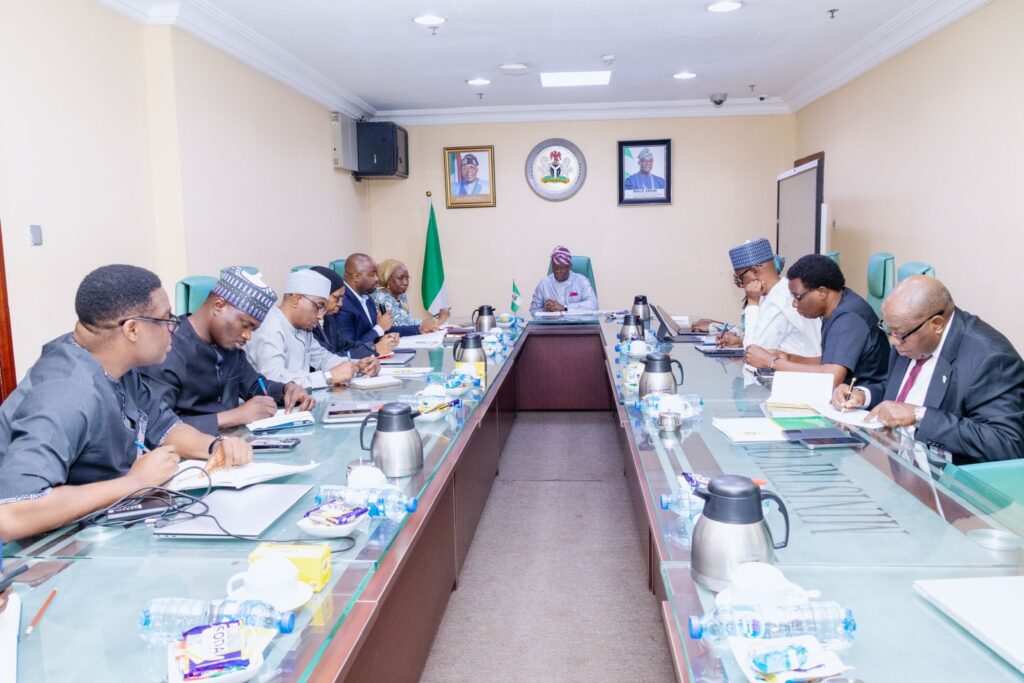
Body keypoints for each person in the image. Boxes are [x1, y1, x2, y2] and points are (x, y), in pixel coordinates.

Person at [0, 265, 253, 542]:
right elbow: (12, 514)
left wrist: (215, 447)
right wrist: (135, 482)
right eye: (166, 319)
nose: (173, 328)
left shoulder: (117, 364)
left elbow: (165, 426)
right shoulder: (66, 393)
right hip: (37, 551)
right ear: (132, 329)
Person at [832, 276, 1024, 464]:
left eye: (899, 334)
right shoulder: (909, 336)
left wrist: (919, 416)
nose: (893, 341)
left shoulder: (990, 359)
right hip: (898, 463)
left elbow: (1007, 442)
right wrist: (862, 395)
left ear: (937, 324)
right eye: (889, 330)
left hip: (949, 478)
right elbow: (900, 393)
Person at [141, 267, 315, 435]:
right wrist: (235, 416)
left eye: (253, 330)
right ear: (219, 305)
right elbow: (156, 426)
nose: (248, 336)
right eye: (245, 325)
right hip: (188, 452)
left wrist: (287, 390)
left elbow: (255, 386)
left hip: (235, 443)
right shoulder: (167, 350)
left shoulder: (229, 346)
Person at [745, 254, 889, 388]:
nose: (794, 303)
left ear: (822, 292)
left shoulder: (848, 319)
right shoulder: (837, 305)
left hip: (860, 399)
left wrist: (772, 362)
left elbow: (831, 378)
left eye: (798, 297)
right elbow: (829, 361)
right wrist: (787, 358)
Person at [246, 268, 377, 389]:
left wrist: (358, 365)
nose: (320, 316)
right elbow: (274, 379)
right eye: (318, 306)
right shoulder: (269, 325)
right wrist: (328, 377)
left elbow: (323, 359)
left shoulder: (302, 326)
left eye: (323, 308)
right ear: (296, 299)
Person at [715, 238, 821, 355]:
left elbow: (754, 351)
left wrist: (752, 302)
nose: (743, 284)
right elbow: (765, 339)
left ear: (755, 271)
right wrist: (740, 342)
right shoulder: (776, 292)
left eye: (741, 278)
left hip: (798, 366)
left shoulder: (780, 299)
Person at [332, 253, 430, 351]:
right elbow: (348, 349)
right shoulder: (342, 303)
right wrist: (379, 328)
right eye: (372, 275)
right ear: (356, 276)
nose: (377, 279)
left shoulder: (367, 297)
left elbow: (383, 329)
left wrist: (418, 329)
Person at [309, 265, 390, 359]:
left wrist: (373, 346)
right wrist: (374, 349)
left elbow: (345, 346)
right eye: (337, 298)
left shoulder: (328, 318)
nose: (340, 304)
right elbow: (328, 358)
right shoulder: (308, 324)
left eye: (341, 298)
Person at [372, 259, 451, 333]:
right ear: (387, 279)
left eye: (407, 278)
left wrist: (435, 320)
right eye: (400, 278)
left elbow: (407, 320)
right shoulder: (380, 296)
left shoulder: (401, 295)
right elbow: (399, 324)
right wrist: (438, 320)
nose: (405, 282)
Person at [529, 245, 599, 313]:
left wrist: (564, 308)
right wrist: (545, 310)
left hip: (577, 321)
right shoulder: (544, 284)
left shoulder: (582, 281)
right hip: (551, 321)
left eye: (562, 268)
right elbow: (533, 311)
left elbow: (594, 305)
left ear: (569, 267)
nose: (558, 271)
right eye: (555, 267)